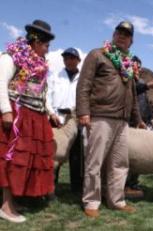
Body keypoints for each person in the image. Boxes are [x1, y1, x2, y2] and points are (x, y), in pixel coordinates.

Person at [76, 20, 142, 218]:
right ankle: (91, 202)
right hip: (100, 116)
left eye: (126, 34)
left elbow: (132, 94)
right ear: (113, 35)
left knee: (120, 163)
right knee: (94, 162)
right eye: (119, 32)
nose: (122, 36)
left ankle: (116, 200)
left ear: (131, 41)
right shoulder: (97, 54)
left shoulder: (130, 65)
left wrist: (137, 118)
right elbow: (84, 85)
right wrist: (83, 112)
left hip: (122, 121)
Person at [0, 19, 55, 223]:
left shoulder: (39, 66)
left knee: (25, 162)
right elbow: (1, 83)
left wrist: (49, 111)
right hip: (17, 116)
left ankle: (13, 200)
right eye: (46, 46)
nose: (48, 51)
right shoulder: (11, 58)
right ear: (36, 41)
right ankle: (5, 206)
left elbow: (40, 92)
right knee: (12, 159)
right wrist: (6, 110)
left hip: (35, 117)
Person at [125, 55, 153, 198]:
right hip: (129, 124)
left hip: (140, 125)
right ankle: (124, 184)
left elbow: (144, 103)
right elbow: (133, 91)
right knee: (128, 157)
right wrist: (148, 85)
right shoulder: (126, 80)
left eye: (139, 67)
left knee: (138, 157)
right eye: (135, 66)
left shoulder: (141, 81)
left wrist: (151, 119)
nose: (137, 69)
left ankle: (133, 183)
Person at [46, 48, 82, 192]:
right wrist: (50, 113)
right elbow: (47, 96)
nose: (69, 60)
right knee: (53, 155)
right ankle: (51, 186)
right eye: (66, 58)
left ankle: (76, 187)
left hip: (75, 120)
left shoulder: (83, 78)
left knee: (76, 154)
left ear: (78, 60)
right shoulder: (54, 76)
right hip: (56, 119)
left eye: (72, 58)